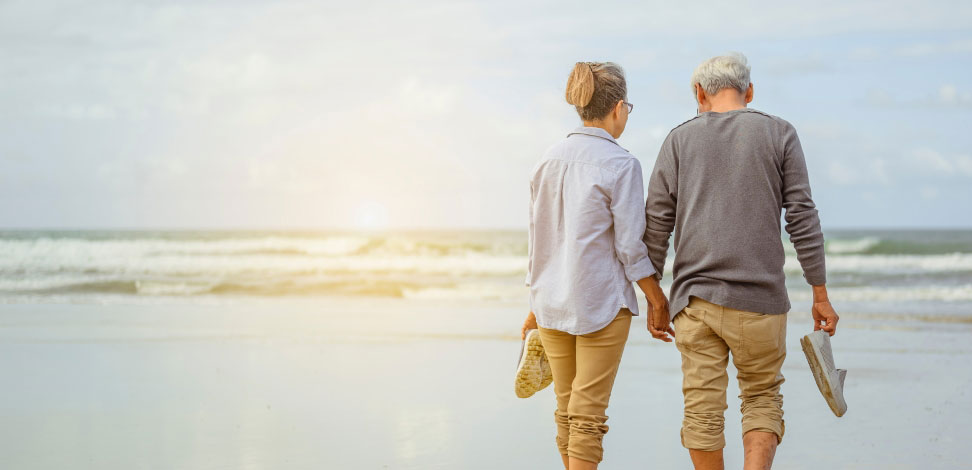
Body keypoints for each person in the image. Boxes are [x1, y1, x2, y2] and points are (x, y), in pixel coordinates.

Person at [642, 53, 840, 470]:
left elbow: (656, 221)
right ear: (749, 91)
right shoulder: (780, 133)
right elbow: (802, 217)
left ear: (699, 94)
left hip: (695, 303)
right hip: (762, 301)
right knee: (762, 396)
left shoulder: (678, 140)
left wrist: (655, 295)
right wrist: (819, 294)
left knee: (701, 409)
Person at [520, 61, 671, 470]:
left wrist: (534, 302)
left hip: (550, 301)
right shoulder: (621, 164)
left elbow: (539, 242)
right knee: (587, 414)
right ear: (618, 107)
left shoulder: (546, 161)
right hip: (600, 303)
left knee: (567, 407)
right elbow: (629, 246)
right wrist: (656, 297)